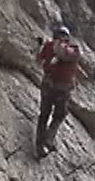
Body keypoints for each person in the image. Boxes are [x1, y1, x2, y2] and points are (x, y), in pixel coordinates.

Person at [35, 25, 81, 159]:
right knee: (59, 115)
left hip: (47, 85)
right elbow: (74, 60)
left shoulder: (48, 46)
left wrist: (40, 46)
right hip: (63, 89)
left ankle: (39, 147)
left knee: (44, 115)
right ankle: (49, 139)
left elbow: (38, 59)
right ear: (67, 37)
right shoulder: (74, 50)